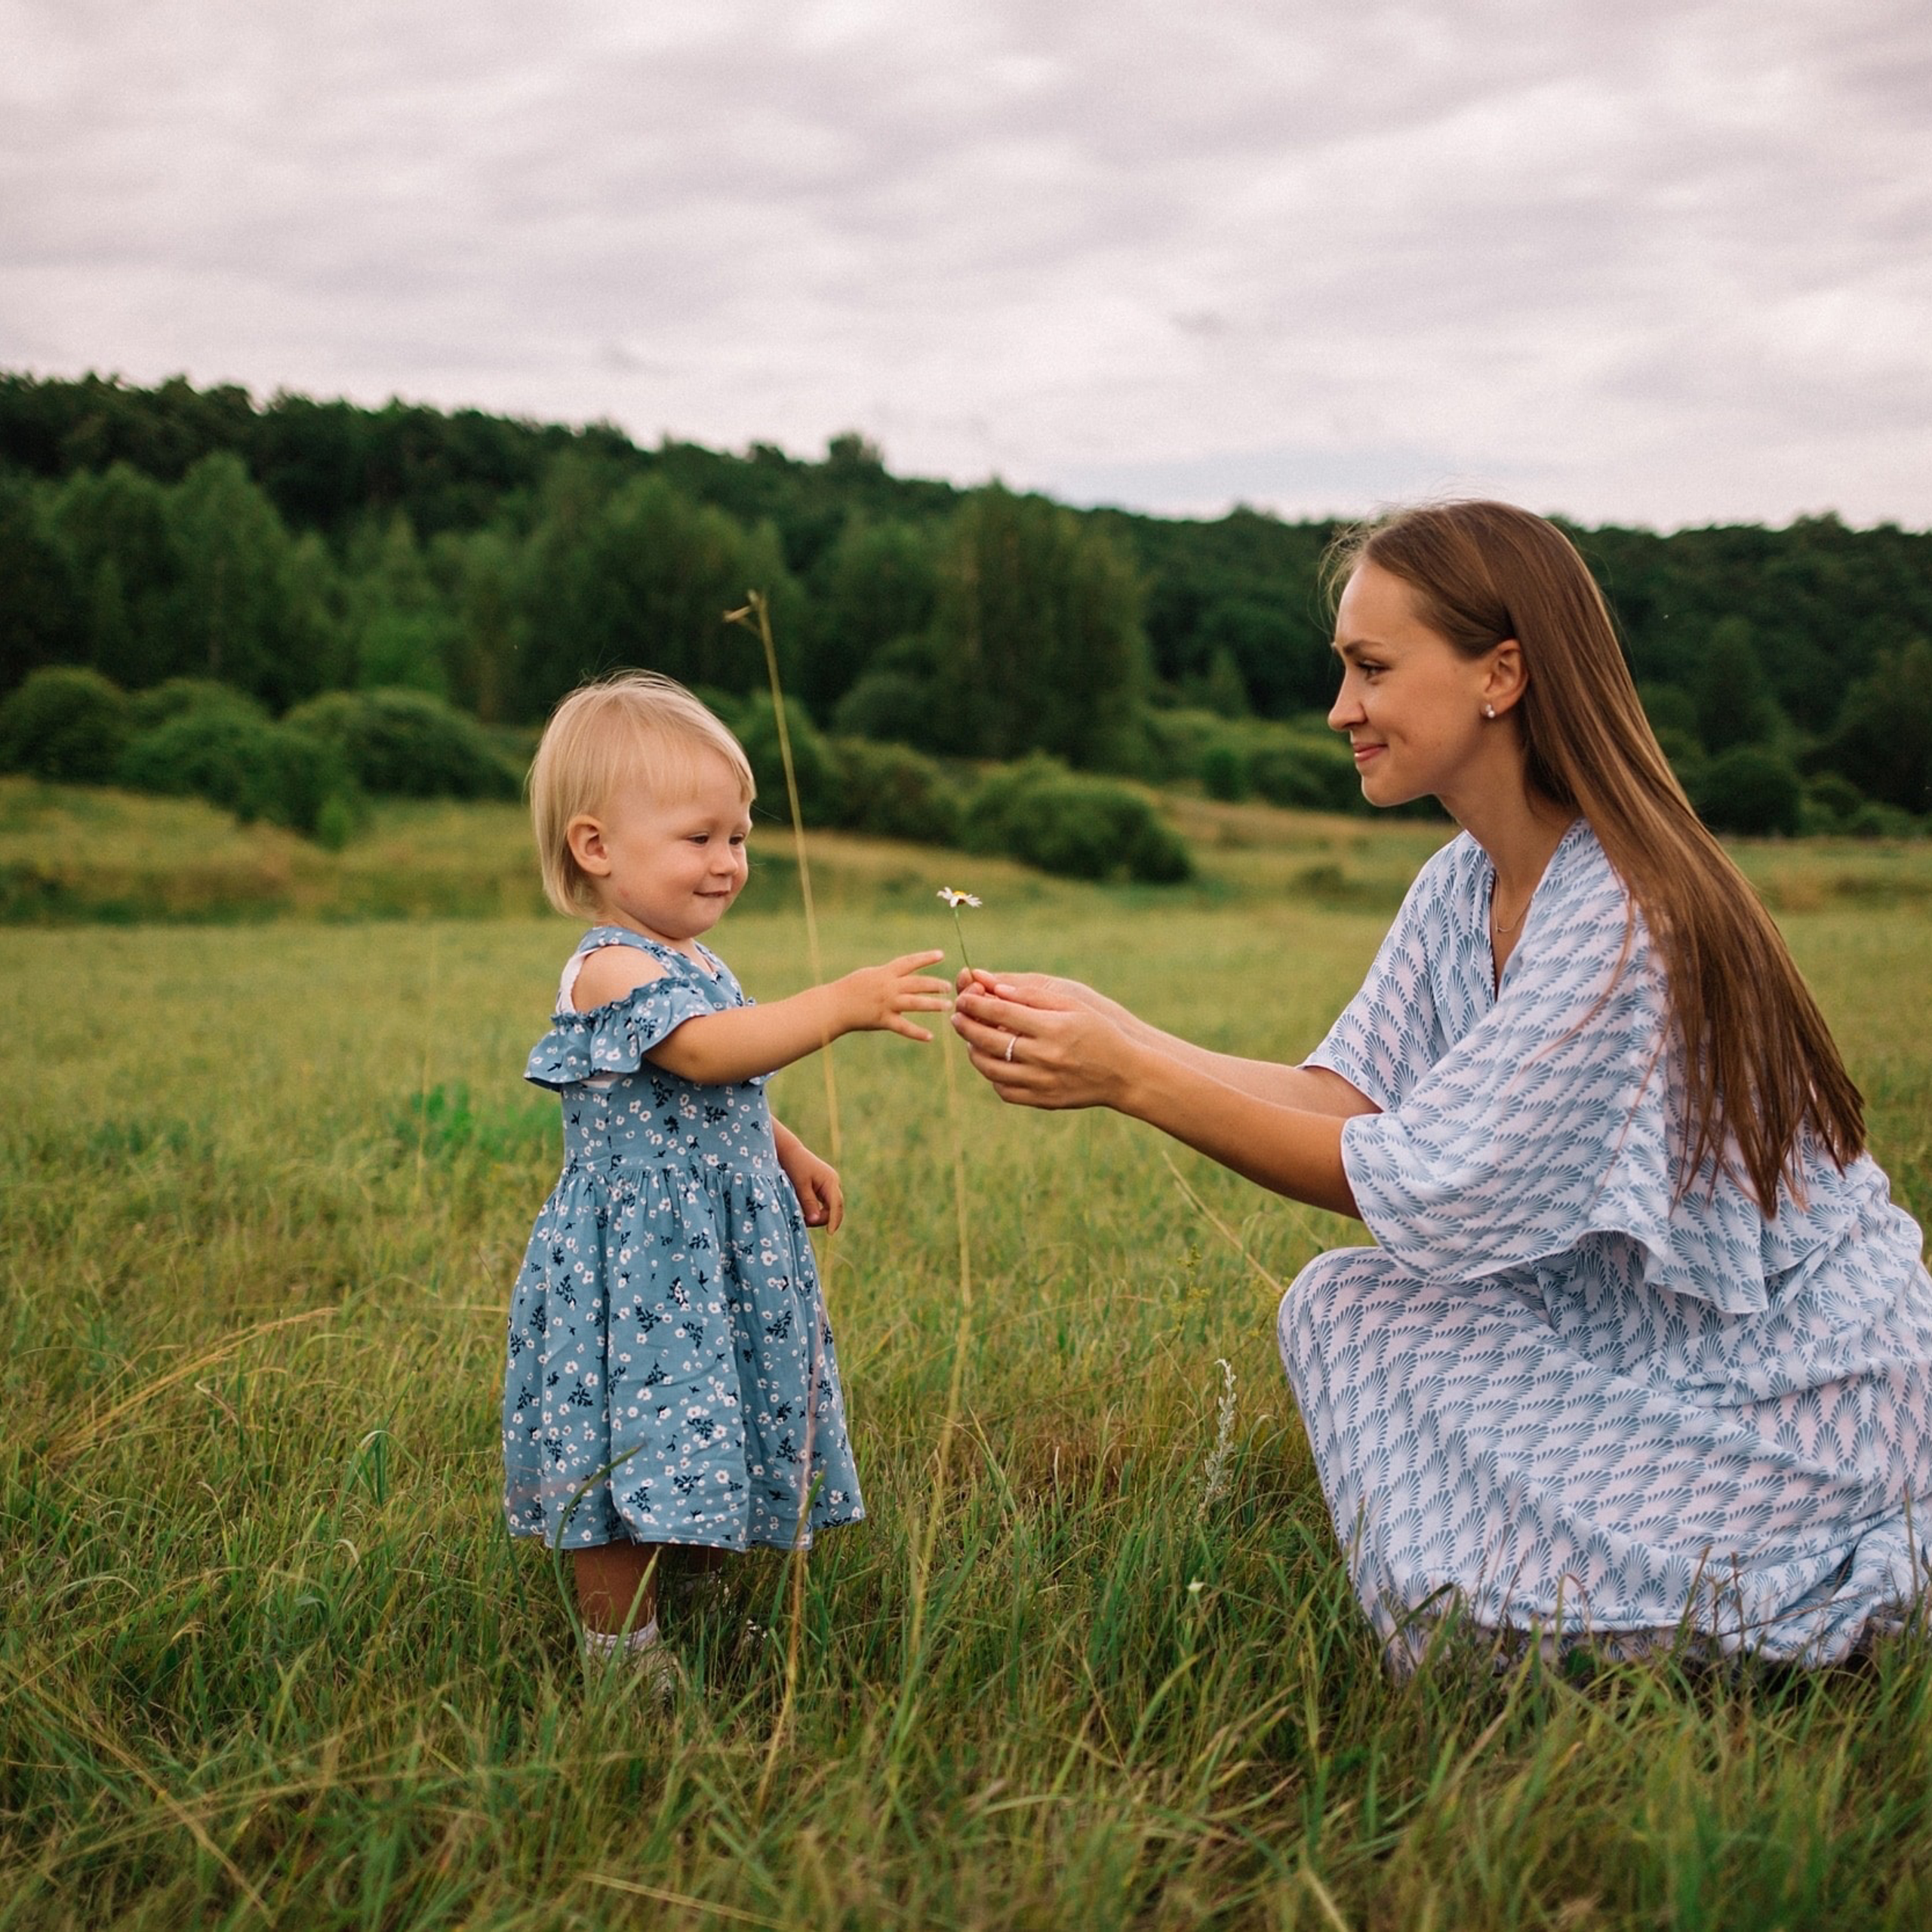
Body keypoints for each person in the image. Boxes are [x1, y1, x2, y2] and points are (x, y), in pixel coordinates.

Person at [952, 500, 1932, 1671]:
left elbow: (1423, 1182)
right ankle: (1514, 1621)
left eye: (1372, 669)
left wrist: (1133, 1077)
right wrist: (1117, 1027)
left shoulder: (1624, 912)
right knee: (1346, 1307)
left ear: (1500, 674)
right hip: (1645, 1346)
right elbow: (1348, 1102)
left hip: (1801, 1387)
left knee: (1356, 1306)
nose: (1341, 708)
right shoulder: (1464, 883)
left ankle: (1590, 1633)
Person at [503, 672, 949, 1683]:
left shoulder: (696, 961)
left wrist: (786, 1149)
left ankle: (696, 1613)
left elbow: (719, 1089)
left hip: (711, 1255)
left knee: (709, 1422)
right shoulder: (611, 967)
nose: (728, 862)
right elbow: (703, 1053)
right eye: (698, 837)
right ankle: (621, 1655)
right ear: (595, 846)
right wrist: (837, 1004)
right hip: (641, 1267)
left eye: (739, 837)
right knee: (628, 1441)